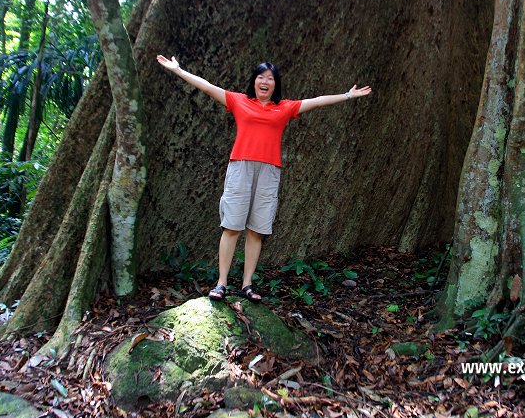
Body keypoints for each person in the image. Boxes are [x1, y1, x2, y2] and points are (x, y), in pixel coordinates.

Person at [156, 55, 372, 302]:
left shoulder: (285, 107)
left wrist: (347, 95)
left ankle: (247, 284)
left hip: (269, 172)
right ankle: (221, 283)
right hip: (241, 167)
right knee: (232, 227)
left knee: (257, 230)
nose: (265, 81)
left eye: (270, 78)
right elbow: (206, 86)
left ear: (275, 85)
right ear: (254, 81)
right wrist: (179, 70)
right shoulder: (239, 101)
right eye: (261, 77)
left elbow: (316, 102)